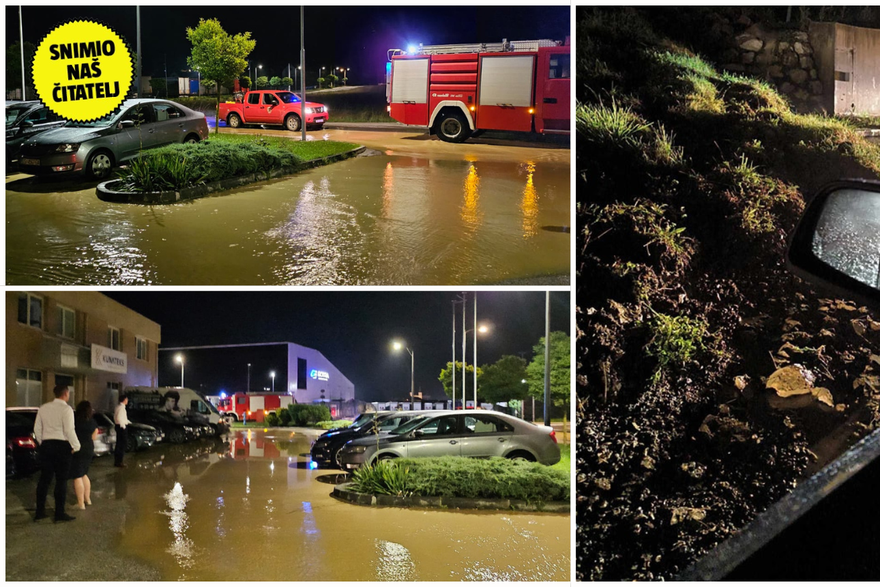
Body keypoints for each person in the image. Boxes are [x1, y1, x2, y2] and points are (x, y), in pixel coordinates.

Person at [33, 384, 81, 522]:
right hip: (62, 446)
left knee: (44, 480)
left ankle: (39, 512)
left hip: (47, 445)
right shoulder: (66, 409)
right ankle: (59, 513)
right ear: (65, 394)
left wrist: (43, 443)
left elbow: (37, 429)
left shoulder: (43, 408)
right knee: (61, 481)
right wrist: (76, 446)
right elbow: (69, 430)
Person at [70, 401, 98, 509]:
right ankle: (88, 499)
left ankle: (80, 504)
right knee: (84, 473)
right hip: (89, 448)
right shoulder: (92, 422)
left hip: (78, 448)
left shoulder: (75, 421)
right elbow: (94, 437)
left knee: (77, 475)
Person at [114, 394, 129, 468]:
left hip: (118, 426)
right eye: (127, 399)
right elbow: (119, 418)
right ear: (124, 400)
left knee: (119, 444)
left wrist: (128, 422)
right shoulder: (121, 408)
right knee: (122, 445)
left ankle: (117, 461)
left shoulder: (118, 407)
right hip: (121, 427)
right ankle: (119, 461)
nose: (127, 401)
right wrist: (123, 426)